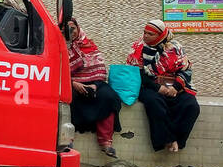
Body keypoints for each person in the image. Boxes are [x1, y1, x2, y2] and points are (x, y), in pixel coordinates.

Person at [128, 19, 200, 153]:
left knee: (191, 106)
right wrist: (158, 88)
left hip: (175, 86)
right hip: (150, 86)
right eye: (145, 32)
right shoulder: (138, 48)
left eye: (150, 34)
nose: (146, 36)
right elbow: (137, 74)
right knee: (155, 103)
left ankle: (178, 140)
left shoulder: (175, 48)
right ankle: (168, 140)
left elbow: (186, 69)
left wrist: (176, 88)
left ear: (161, 35)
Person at [65, 18, 121, 157]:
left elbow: (100, 70)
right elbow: (56, 71)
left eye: (73, 28)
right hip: (69, 82)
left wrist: (94, 85)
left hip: (93, 82)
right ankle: (67, 140)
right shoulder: (59, 46)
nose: (71, 31)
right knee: (67, 96)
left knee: (109, 97)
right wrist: (73, 83)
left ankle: (106, 142)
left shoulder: (88, 45)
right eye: (67, 28)